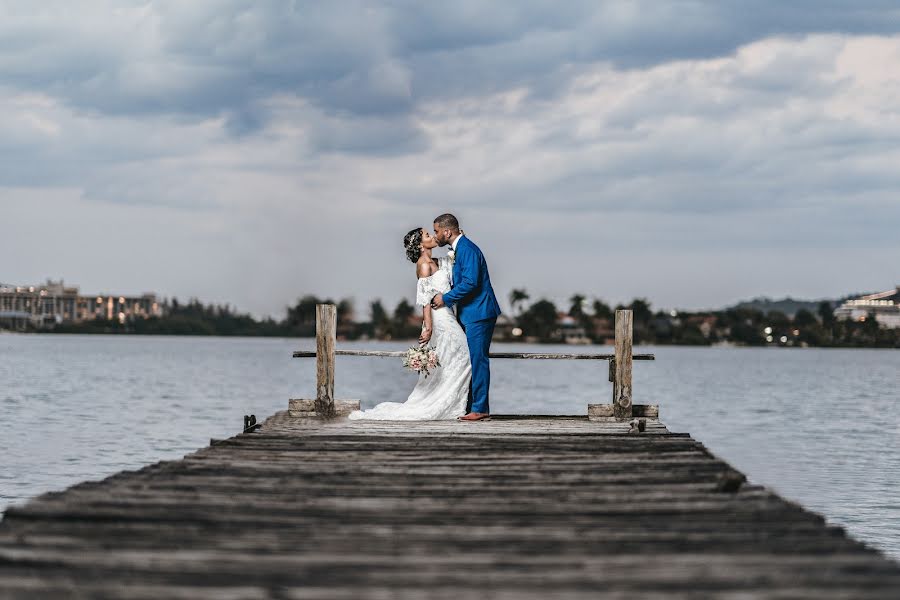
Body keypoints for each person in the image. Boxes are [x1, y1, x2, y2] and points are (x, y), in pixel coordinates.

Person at [348, 227, 471, 420]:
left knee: (455, 359)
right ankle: (444, 405)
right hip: (439, 320)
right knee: (464, 354)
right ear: (421, 245)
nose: (432, 236)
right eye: (428, 235)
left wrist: (458, 239)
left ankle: (452, 404)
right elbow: (424, 300)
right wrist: (428, 327)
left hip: (449, 315)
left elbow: (454, 265)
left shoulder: (438, 262)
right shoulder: (423, 265)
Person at [430, 213, 501, 421]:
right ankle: (470, 405)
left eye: (436, 231)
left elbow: (471, 282)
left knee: (478, 360)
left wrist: (446, 299)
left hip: (479, 313)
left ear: (447, 231)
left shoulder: (467, 249)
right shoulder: (459, 249)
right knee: (469, 360)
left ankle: (480, 409)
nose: (435, 236)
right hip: (469, 313)